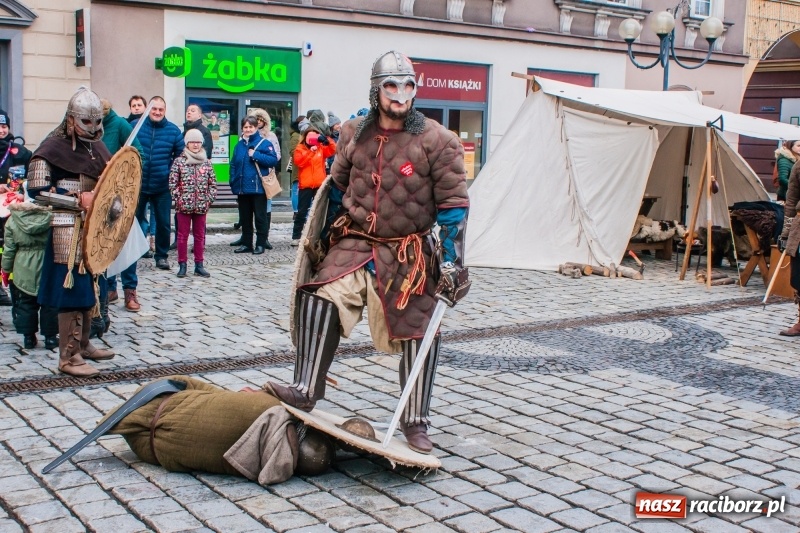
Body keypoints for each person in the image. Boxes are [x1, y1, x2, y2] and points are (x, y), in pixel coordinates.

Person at [266, 51, 470, 454]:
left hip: (407, 251)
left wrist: (451, 261)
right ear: (377, 90)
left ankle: (415, 419)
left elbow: (454, 206)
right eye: (391, 85)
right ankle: (305, 388)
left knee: (420, 328)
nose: (400, 94)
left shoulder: (437, 140)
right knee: (320, 297)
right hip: (355, 241)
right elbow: (336, 189)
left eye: (408, 85)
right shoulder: (353, 133)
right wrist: (322, 240)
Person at [27, 87, 116, 377]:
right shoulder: (51, 148)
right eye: (86, 121)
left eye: (97, 121)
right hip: (66, 227)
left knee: (91, 287)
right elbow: (37, 191)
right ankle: (68, 356)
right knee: (71, 291)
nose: (93, 127)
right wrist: (77, 199)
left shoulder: (97, 147)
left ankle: (84, 344)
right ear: (71, 119)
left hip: (93, 228)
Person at [101, 376, 334, 484]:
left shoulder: (266, 407)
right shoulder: (258, 462)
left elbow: (192, 386)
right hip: (156, 442)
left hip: (155, 426)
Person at [98, 99, 144, 332]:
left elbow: (138, 154)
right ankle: (108, 288)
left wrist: (120, 168)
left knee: (125, 242)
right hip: (98, 193)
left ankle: (130, 290)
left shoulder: (120, 125)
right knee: (103, 243)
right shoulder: (91, 128)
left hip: (120, 194)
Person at [134, 96, 185, 273]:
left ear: (165, 111)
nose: (157, 112)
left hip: (162, 185)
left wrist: (169, 172)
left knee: (163, 223)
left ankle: (161, 255)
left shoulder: (173, 131)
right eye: (154, 109)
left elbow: (180, 156)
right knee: (133, 221)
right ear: (148, 109)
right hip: (138, 184)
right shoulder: (135, 126)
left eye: (160, 109)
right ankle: (133, 253)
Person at [2, 201, 58, 350]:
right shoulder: (51, 217)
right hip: (47, 263)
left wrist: (6, 270)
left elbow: (9, 249)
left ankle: (28, 338)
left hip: (23, 265)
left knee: (25, 303)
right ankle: (50, 338)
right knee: (49, 303)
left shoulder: (13, 220)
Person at [169, 129, 217, 278]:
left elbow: (212, 184)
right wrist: (179, 198)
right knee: (182, 236)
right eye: (192, 142)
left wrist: (208, 200)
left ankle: (199, 265)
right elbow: (173, 183)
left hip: (201, 206)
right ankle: (182, 264)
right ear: (187, 143)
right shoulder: (179, 162)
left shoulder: (206, 162)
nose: (195, 145)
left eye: (198, 142)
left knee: (199, 236)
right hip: (184, 206)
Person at [229, 116, 278, 255]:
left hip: (258, 188)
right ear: (242, 129)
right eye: (245, 127)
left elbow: (273, 160)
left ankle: (261, 244)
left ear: (256, 128)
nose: (248, 129)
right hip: (242, 188)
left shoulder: (264, 143)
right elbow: (233, 164)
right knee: (245, 217)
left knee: (260, 218)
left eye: (251, 127)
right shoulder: (239, 145)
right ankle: (246, 243)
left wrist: (255, 154)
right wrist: (233, 180)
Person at [0, 109, 33, 307]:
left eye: (4, 126)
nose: (1, 130)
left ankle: (14, 286)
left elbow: (33, 173)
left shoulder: (20, 152)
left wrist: (22, 190)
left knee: (10, 246)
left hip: (12, 209)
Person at [290, 127, 336, 246]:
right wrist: (311, 152)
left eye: (315, 136)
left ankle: (317, 235)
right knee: (302, 211)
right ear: (305, 137)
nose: (312, 139)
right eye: (310, 136)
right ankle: (296, 236)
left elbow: (333, 149)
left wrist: (326, 139)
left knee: (319, 211)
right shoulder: (300, 148)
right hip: (305, 185)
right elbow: (299, 162)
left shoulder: (321, 148)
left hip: (319, 185)